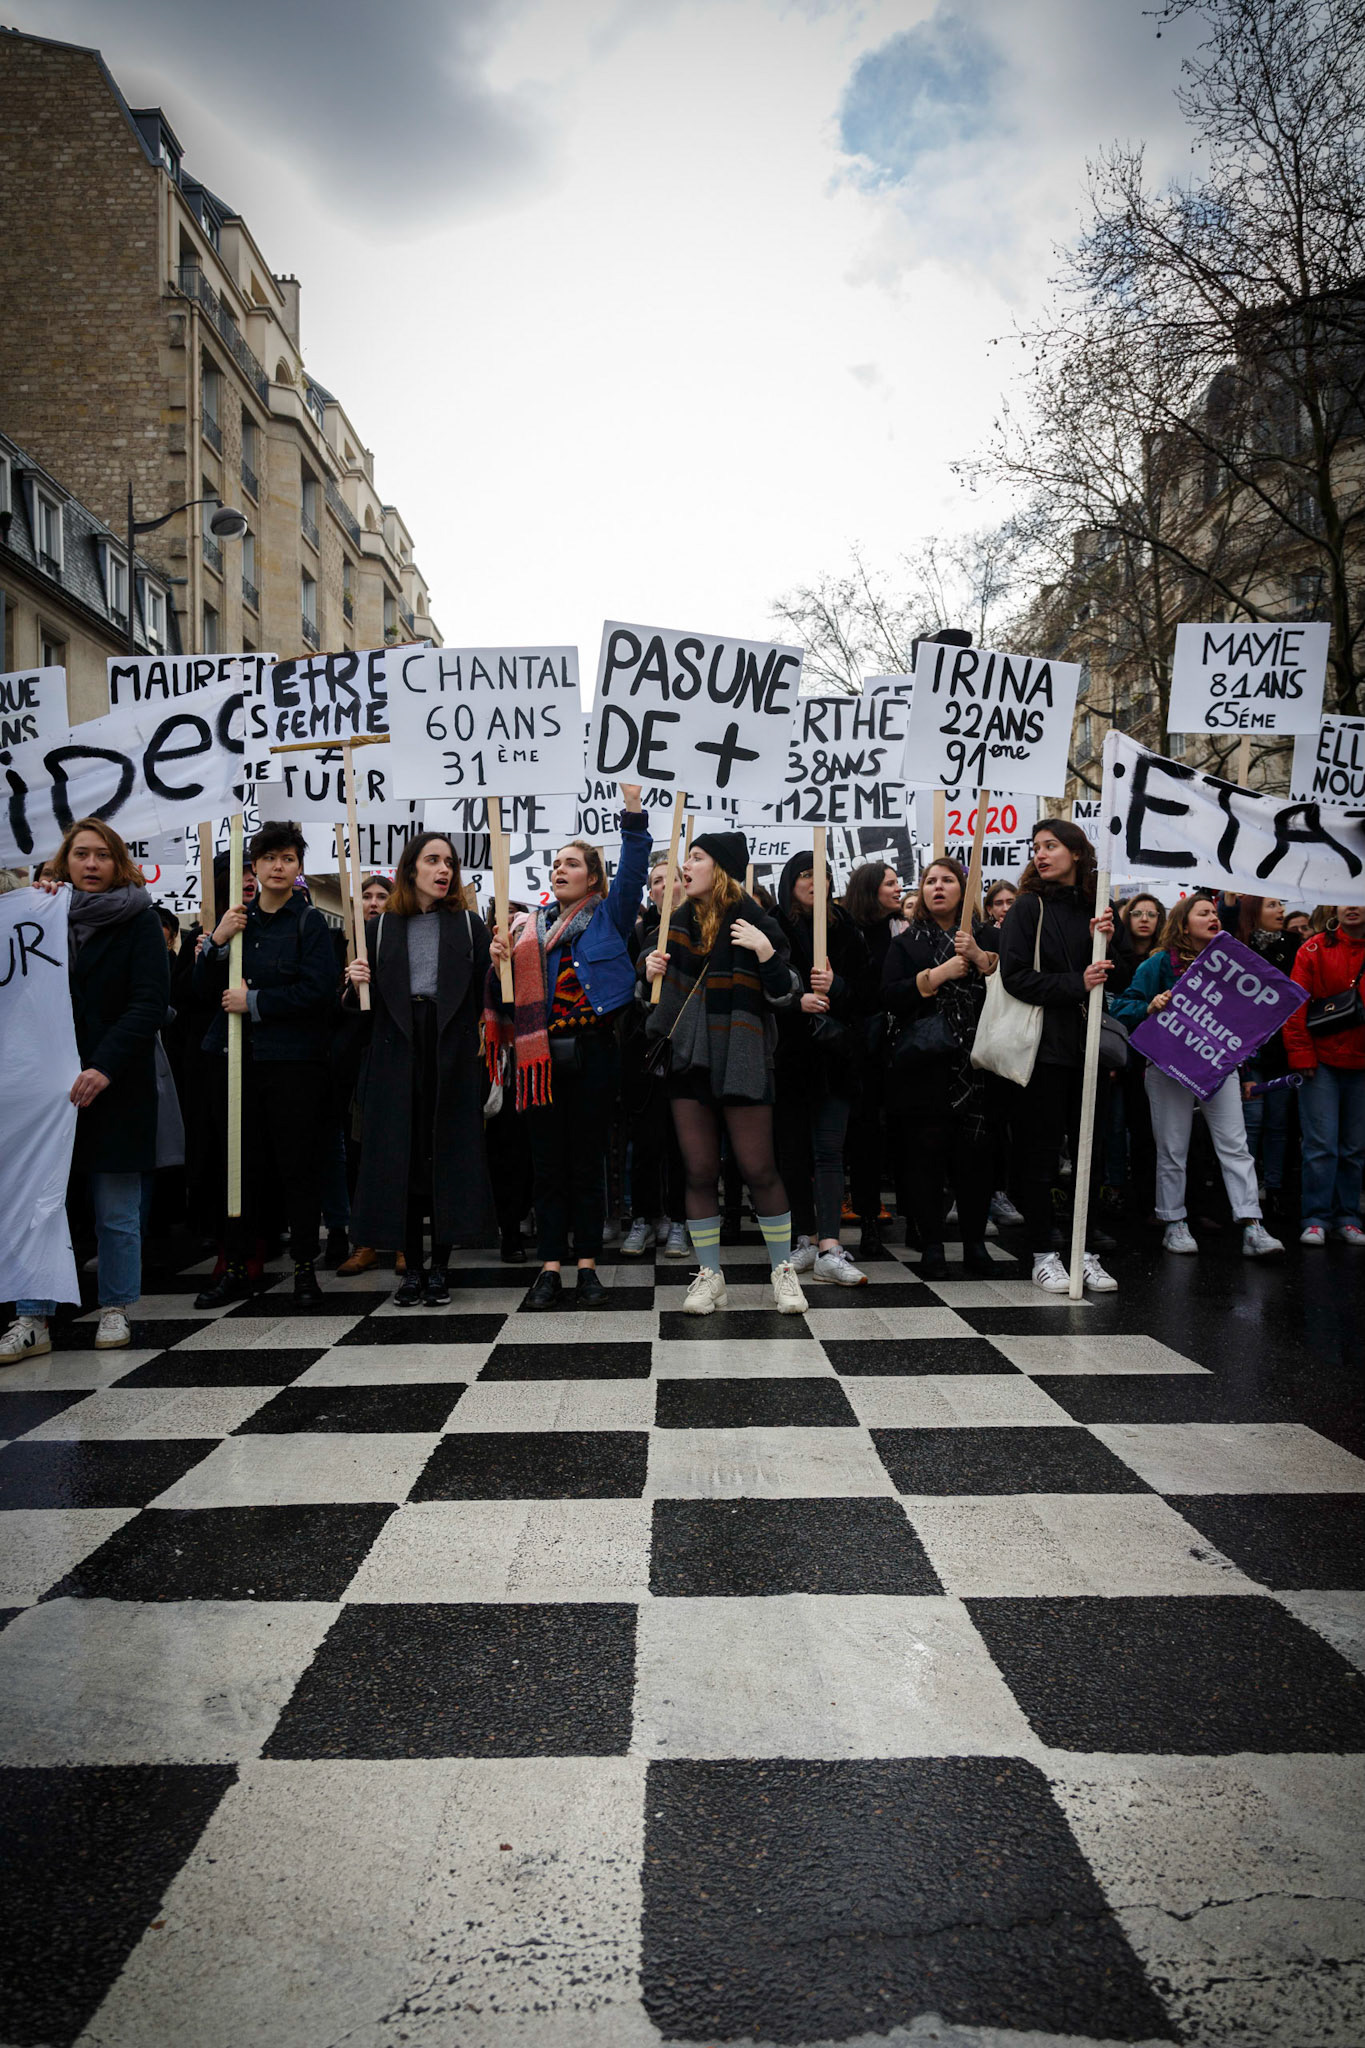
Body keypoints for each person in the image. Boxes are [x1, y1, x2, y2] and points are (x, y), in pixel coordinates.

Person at [2, 818, 169, 1362]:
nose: (91, 865)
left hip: (113, 1084)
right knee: (39, 1202)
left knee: (115, 1208)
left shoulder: (139, 921)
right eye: (81, 855)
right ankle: (33, 1315)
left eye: (102, 855)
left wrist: (104, 1066)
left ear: (118, 862)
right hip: (46, 1090)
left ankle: (116, 1306)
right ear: (65, 861)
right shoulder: (41, 912)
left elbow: (147, 1004)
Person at [488, 790, 651, 1310]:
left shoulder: (610, 916)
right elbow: (502, 1005)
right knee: (548, 1164)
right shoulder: (522, 930)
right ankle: (549, 1266)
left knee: (586, 1162)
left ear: (593, 878)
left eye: (572, 864)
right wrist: (499, 965)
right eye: (556, 863)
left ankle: (586, 1266)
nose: (560, 869)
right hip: (539, 1062)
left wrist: (632, 814)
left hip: (594, 1055)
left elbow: (633, 870)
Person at [642, 830, 808, 1316]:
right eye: (686, 857)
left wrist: (764, 951)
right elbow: (651, 999)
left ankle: (783, 1272)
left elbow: (785, 994)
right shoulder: (672, 923)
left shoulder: (756, 919)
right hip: (690, 1059)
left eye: (696, 857)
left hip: (742, 1055)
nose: (685, 866)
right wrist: (647, 970)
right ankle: (710, 1275)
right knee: (697, 1170)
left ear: (722, 868)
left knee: (759, 1168)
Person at [344, 832, 496, 1301]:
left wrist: (499, 967)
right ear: (411, 869)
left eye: (448, 862)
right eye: (433, 860)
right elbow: (357, 1010)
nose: (443, 869)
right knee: (401, 1155)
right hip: (397, 1047)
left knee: (447, 1153)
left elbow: (489, 998)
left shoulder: (470, 926)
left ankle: (441, 1266)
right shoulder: (382, 928)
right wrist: (354, 984)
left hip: (450, 1047)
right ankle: (410, 1265)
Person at [192, 822, 337, 1307]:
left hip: (292, 1063)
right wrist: (216, 941)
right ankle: (235, 1264)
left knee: (296, 1164)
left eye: (289, 858)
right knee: (237, 1166)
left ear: (299, 868)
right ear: (253, 866)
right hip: (233, 1058)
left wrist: (254, 1001)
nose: (279, 866)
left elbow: (317, 992)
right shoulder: (237, 920)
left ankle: (301, 1266)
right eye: (270, 857)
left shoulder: (309, 922)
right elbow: (197, 992)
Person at [1109, 894, 1284, 1258]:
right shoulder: (1158, 964)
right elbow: (1122, 1007)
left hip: (1220, 1068)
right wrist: (1150, 1005)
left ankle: (1252, 1225)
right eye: (1203, 913)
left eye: (1215, 913)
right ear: (1183, 923)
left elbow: (1242, 1028)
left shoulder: (1232, 967)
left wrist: (1246, 1072)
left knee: (1235, 1146)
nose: (1213, 917)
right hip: (1169, 1067)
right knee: (1173, 1148)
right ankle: (1174, 1223)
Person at [997, 819, 1124, 1294]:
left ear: (1076, 852)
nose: (1041, 854)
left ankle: (1083, 1249)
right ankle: (1043, 1251)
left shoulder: (1100, 907)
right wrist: (1078, 982)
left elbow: (1121, 975)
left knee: (1091, 1153)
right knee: (1041, 1154)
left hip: (1090, 1049)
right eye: (1036, 848)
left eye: (1051, 846)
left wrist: (1111, 940)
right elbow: (1015, 977)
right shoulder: (1028, 908)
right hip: (1043, 1050)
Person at [883, 858, 1000, 1278]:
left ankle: (974, 1243)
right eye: (930, 881)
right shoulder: (907, 942)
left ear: (965, 889)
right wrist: (935, 976)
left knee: (976, 1160)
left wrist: (985, 961)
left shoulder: (988, 937)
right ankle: (931, 1243)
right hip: (926, 1066)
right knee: (925, 1159)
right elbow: (891, 994)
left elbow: (1014, 987)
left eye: (947, 880)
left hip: (979, 1062)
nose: (937, 888)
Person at [772, 848, 872, 1285]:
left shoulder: (850, 930)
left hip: (836, 1059)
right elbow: (762, 991)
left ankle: (831, 1244)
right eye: (805, 874)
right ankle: (804, 1238)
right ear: (790, 882)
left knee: (829, 1152)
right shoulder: (774, 927)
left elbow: (871, 996)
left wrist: (838, 986)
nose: (815, 881)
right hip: (789, 1059)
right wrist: (797, 1002)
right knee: (792, 1154)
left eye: (823, 874)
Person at [1282, 902, 1365, 1246]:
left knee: (1354, 1147)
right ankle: (1316, 1216)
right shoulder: (1312, 949)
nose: (1353, 905)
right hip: (1322, 1061)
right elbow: (1294, 1004)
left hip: (1361, 1062)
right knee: (1320, 1144)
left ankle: (1348, 1215)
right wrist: (1301, 1053)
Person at [621, 857, 688, 1258]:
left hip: (687, 1053)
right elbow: (625, 995)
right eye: (657, 881)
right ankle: (645, 1217)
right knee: (645, 1141)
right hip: (645, 1054)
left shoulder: (703, 930)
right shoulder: (639, 935)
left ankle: (679, 1219)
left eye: (672, 878)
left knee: (684, 1143)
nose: (664, 886)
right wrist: (643, 978)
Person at [841, 861, 906, 1254]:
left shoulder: (903, 929)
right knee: (864, 1136)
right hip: (862, 1048)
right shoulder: (850, 931)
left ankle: (912, 1217)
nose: (899, 889)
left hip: (898, 1048)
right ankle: (866, 1218)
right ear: (870, 889)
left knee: (895, 1134)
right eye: (891, 883)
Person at [1236, 897, 1299, 1225]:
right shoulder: (1239, 946)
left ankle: (1273, 1189)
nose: (1281, 911)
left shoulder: (1296, 946)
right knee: (1252, 1123)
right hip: (1249, 1050)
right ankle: (1247, 1191)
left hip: (1283, 1051)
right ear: (1254, 910)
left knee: (1278, 1125)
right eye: (1272, 904)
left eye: (1281, 904)